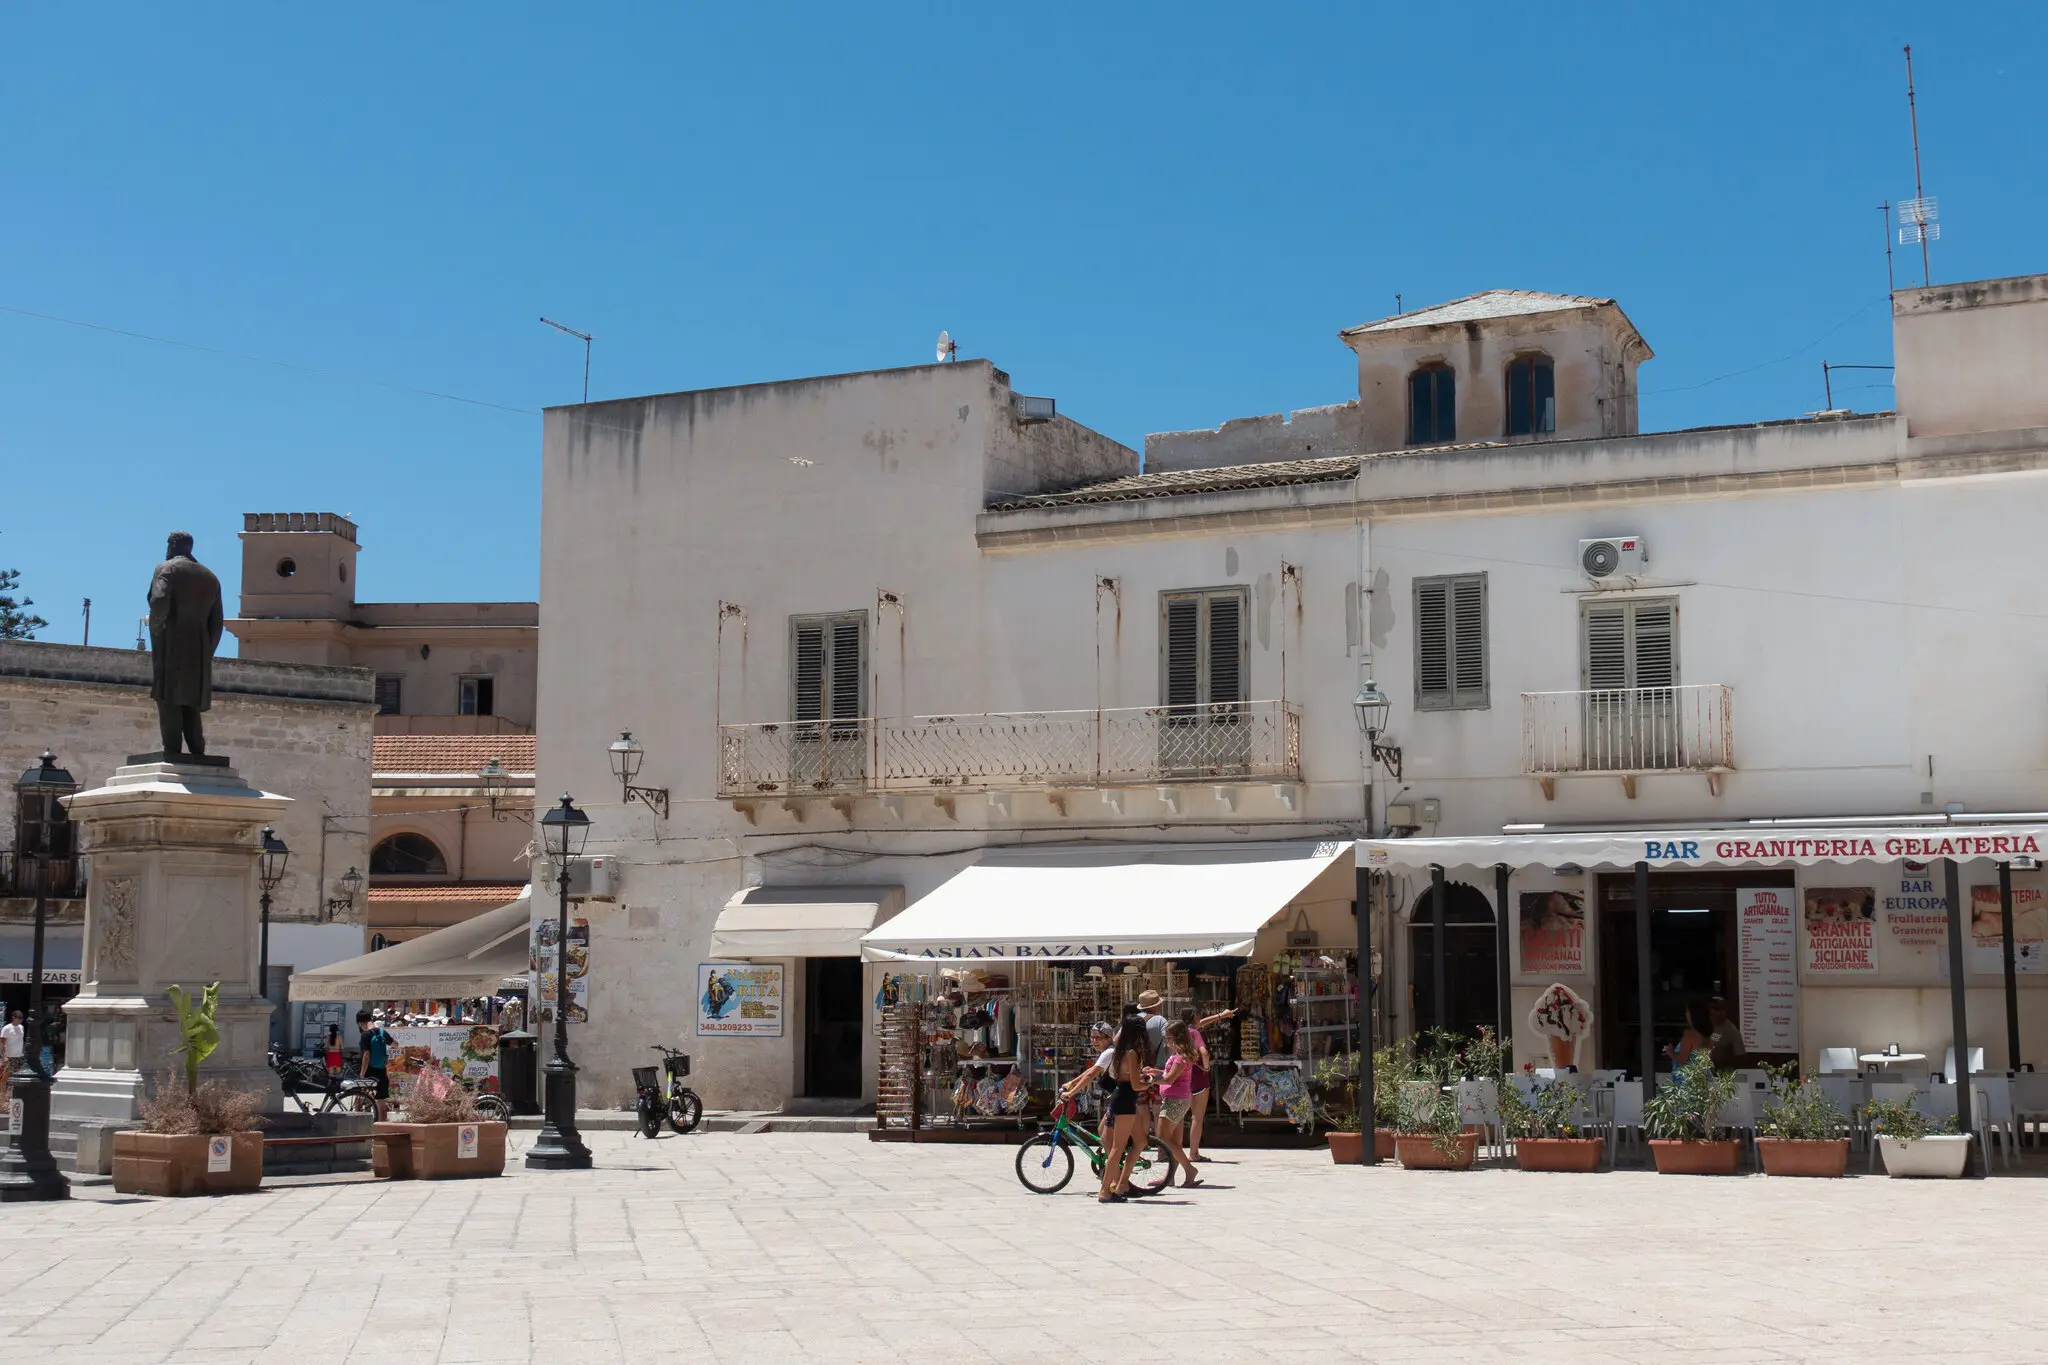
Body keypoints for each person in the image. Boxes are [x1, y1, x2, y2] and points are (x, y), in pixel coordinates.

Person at [1097, 1016, 1154, 1203]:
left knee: (1139, 1141)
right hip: (1126, 1101)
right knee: (1117, 1147)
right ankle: (1105, 1190)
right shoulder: (1131, 1053)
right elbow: (1136, 1086)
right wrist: (1150, 1082)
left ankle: (1121, 1184)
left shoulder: (1121, 1051)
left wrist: (1142, 1077)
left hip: (1121, 1097)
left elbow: (1126, 1077)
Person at [1181, 1005, 1235, 1162]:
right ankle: (1194, 1153)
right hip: (1198, 1078)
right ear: (1194, 1016)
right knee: (1197, 1118)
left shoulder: (1180, 1032)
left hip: (1182, 1077)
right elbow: (1203, 1052)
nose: (1200, 1017)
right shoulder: (1195, 1033)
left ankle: (1172, 1151)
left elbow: (1201, 1023)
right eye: (1198, 1014)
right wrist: (1206, 1067)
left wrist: (1221, 1015)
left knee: (1178, 1117)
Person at [1151, 1021, 1202, 1187]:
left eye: (1169, 1038)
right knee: (1175, 1142)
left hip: (1175, 1100)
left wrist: (1151, 1080)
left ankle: (1189, 1169)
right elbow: (1169, 1073)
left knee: (1163, 1137)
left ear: (1177, 1038)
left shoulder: (1180, 1057)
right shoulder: (1179, 1055)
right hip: (1178, 1099)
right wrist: (1155, 1072)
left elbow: (1169, 1079)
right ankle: (1170, 1177)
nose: (1168, 1041)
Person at [1056, 1022, 1119, 1144]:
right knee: (1102, 1131)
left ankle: (1114, 1157)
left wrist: (1071, 1093)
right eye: (1092, 1037)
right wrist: (1072, 1082)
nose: (1094, 1041)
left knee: (1105, 1136)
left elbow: (1091, 1075)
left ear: (1108, 1039)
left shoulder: (1109, 1052)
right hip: (1116, 1096)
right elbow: (1091, 1070)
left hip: (1120, 1097)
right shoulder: (1107, 1052)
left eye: (1098, 1038)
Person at [357, 1009, 394, 1119]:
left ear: (361, 1023)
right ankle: (381, 1127)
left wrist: (362, 1073)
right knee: (381, 1102)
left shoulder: (365, 1035)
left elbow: (366, 1055)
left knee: (363, 1097)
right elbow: (395, 1044)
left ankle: (365, 1123)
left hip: (370, 1071)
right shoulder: (382, 1032)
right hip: (382, 1071)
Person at [1663, 999, 1712, 1070]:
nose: (1686, 1014)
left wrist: (1670, 1052)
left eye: (1687, 1012)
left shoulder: (1689, 1034)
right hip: (1706, 1073)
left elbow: (1682, 1060)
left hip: (1691, 1075)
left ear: (1693, 1014)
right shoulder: (1713, 1032)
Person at [1707, 996, 1744, 1070]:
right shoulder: (1703, 1024)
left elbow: (1741, 1056)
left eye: (1716, 1008)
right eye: (1710, 1008)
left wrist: (1723, 1064)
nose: (1712, 1011)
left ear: (1725, 1010)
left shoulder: (1732, 1031)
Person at [1, 1009, 23, 1098]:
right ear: (13, 1018)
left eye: (21, 1018)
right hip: (10, 1056)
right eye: (19, 1018)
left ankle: (10, 1094)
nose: (20, 1020)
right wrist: (4, 1056)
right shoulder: (7, 1028)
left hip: (19, 1056)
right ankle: (2, 1094)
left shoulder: (21, 1027)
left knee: (15, 1076)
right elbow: (2, 1042)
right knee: (6, 1076)